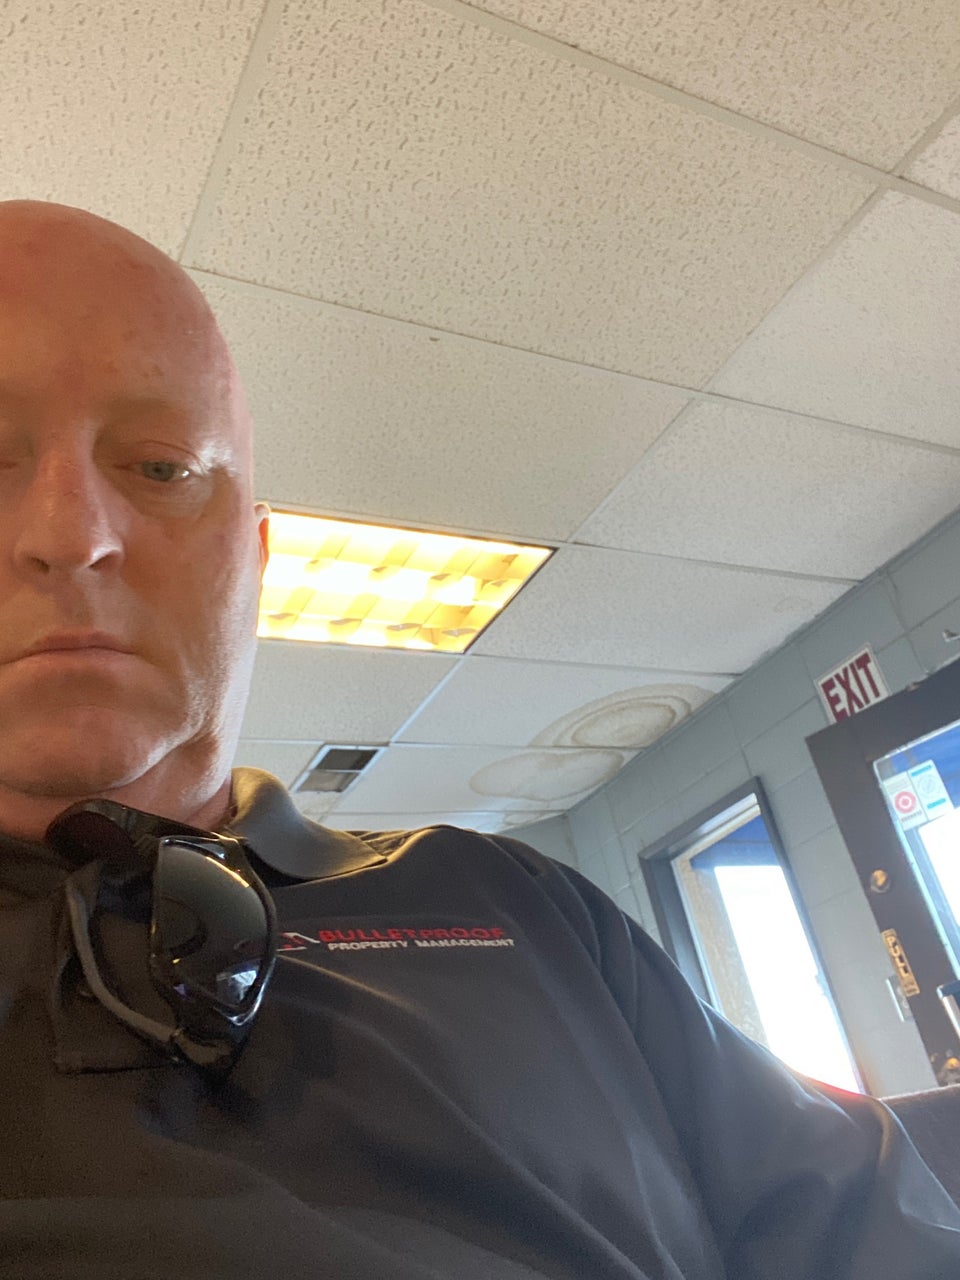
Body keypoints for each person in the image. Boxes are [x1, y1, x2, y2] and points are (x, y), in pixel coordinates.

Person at [0, 199, 957, 1280]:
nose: (69, 533)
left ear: (257, 563)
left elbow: (863, 1223)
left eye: (162, 466)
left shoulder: (528, 906)